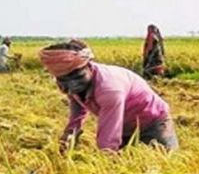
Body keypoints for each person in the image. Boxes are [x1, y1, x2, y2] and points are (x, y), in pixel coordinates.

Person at [38, 39, 178, 152]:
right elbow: (78, 109)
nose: (72, 84)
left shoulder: (109, 88)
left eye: (77, 77)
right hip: (124, 127)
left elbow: (109, 135)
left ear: (88, 66)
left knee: (162, 165)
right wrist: (70, 135)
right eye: (63, 80)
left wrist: (104, 159)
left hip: (152, 123)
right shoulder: (72, 86)